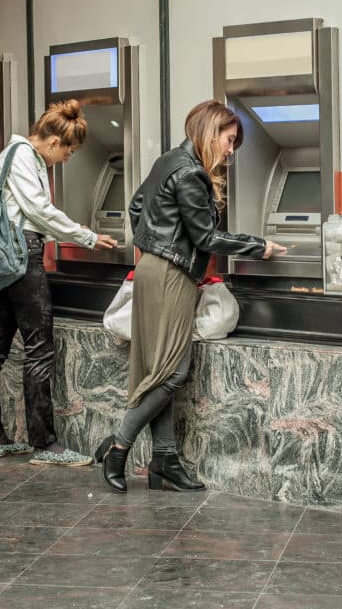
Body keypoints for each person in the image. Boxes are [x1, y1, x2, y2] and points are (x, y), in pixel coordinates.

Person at [95, 100, 287, 494]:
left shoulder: (168, 160)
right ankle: (117, 444)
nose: (231, 151)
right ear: (210, 132)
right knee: (171, 372)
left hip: (153, 269)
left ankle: (164, 461)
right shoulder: (191, 174)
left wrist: (154, 243)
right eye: (229, 140)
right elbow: (206, 238)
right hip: (170, 276)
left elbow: (136, 206)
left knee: (159, 368)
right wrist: (259, 245)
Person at [0, 99, 118, 465]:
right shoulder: (23, 156)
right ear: (53, 142)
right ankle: (45, 445)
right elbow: (38, 210)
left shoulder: (11, 156)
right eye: (68, 152)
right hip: (22, 257)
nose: (67, 159)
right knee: (39, 350)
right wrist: (84, 236)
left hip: (4, 259)